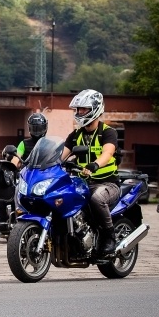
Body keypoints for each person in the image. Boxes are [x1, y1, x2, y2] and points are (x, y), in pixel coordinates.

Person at [60, 89, 120, 258]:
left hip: (108, 183)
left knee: (97, 199)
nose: (79, 113)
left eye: (83, 109)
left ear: (95, 108)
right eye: (78, 110)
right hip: (83, 183)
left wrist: (95, 164)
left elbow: (107, 153)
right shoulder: (75, 135)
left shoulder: (108, 132)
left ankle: (110, 237)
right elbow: (61, 155)